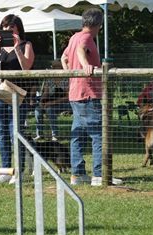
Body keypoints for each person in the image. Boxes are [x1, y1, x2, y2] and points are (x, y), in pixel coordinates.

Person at [61, 8, 121, 187]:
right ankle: (99, 175)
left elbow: (64, 57)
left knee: (77, 135)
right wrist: (86, 66)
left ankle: (77, 175)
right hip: (88, 93)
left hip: (75, 93)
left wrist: (71, 74)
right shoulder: (86, 38)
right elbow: (81, 50)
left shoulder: (74, 37)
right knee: (98, 134)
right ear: (98, 25)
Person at [0, 14, 35, 184]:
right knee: (2, 132)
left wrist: (17, 46)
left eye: (11, 28)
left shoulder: (26, 45)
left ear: (18, 29)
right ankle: (5, 170)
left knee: (16, 132)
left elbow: (26, 66)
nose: (7, 31)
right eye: (4, 28)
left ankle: (19, 171)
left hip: (18, 94)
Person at [33, 60, 69, 142]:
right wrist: (42, 101)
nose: (54, 69)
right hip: (51, 101)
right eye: (53, 67)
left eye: (57, 67)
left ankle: (55, 135)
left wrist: (51, 103)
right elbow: (46, 92)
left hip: (64, 102)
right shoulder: (49, 79)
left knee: (50, 110)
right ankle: (39, 134)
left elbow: (67, 97)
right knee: (38, 110)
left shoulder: (66, 78)